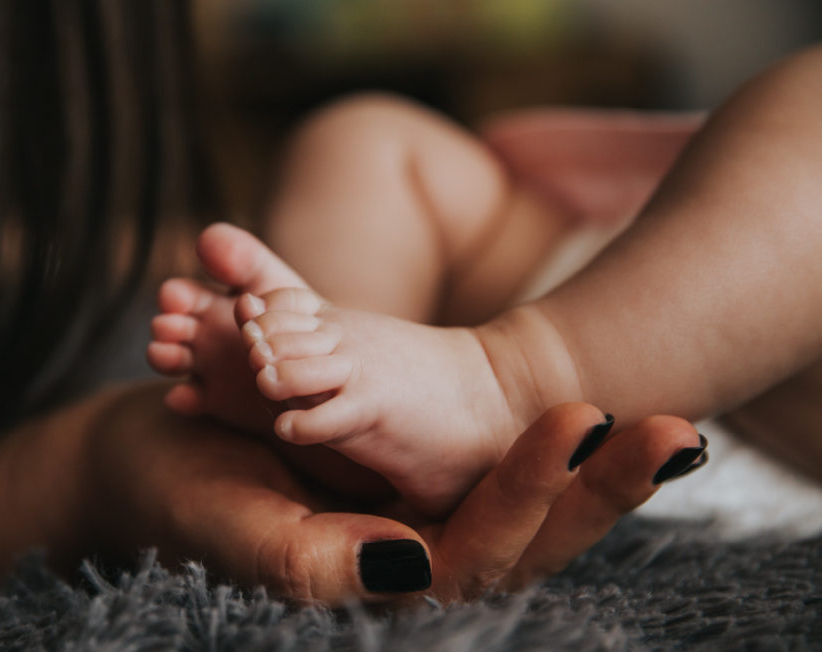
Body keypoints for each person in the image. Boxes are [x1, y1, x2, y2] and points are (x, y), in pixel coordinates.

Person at [0, 0, 705, 607]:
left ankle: (441, 390)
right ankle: (352, 407)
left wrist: (83, 461)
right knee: (358, 136)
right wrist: (84, 466)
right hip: (561, 256)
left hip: (699, 316)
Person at [149, 43, 822, 517]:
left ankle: (508, 383)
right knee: (365, 137)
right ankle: (342, 389)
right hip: (588, 268)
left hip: (775, 406)